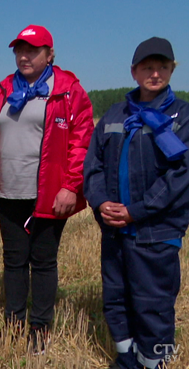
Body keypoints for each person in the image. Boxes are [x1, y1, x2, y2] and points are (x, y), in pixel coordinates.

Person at [0, 24, 94, 354]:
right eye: (19, 50)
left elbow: (82, 142)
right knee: (13, 260)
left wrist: (70, 186)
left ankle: (40, 328)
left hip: (50, 193)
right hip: (10, 190)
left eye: (32, 50)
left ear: (49, 54)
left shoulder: (67, 90)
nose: (24, 56)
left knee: (42, 260)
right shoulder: (3, 90)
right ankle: (13, 324)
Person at [84, 37, 188, 369]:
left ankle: (153, 363)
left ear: (172, 69)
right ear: (133, 71)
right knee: (116, 300)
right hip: (114, 231)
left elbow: (181, 176)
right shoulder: (116, 114)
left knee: (153, 305)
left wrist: (136, 211)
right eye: (147, 66)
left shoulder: (181, 116)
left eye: (162, 66)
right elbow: (93, 165)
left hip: (156, 232)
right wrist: (101, 204)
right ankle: (127, 359)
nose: (154, 73)